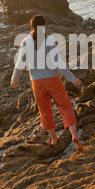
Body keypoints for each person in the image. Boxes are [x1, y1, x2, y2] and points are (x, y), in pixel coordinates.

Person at [11, 15, 84, 152]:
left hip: (36, 82)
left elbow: (20, 64)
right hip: (52, 79)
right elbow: (58, 62)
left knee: (44, 110)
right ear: (44, 26)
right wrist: (72, 78)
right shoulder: (49, 39)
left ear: (31, 27)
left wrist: (14, 79)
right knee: (65, 106)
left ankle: (54, 138)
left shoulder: (25, 41)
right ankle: (74, 135)